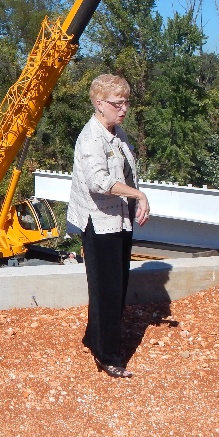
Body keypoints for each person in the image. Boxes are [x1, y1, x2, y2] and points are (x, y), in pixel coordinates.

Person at [66, 74, 150, 379]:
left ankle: (95, 337)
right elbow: (99, 181)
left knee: (116, 286)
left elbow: (126, 172)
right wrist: (138, 195)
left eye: (126, 101)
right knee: (107, 289)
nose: (124, 108)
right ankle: (108, 355)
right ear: (100, 104)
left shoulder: (116, 132)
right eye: (118, 103)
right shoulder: (91, 138)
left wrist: (135, 200)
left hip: (119, 220)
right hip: (99, 224)